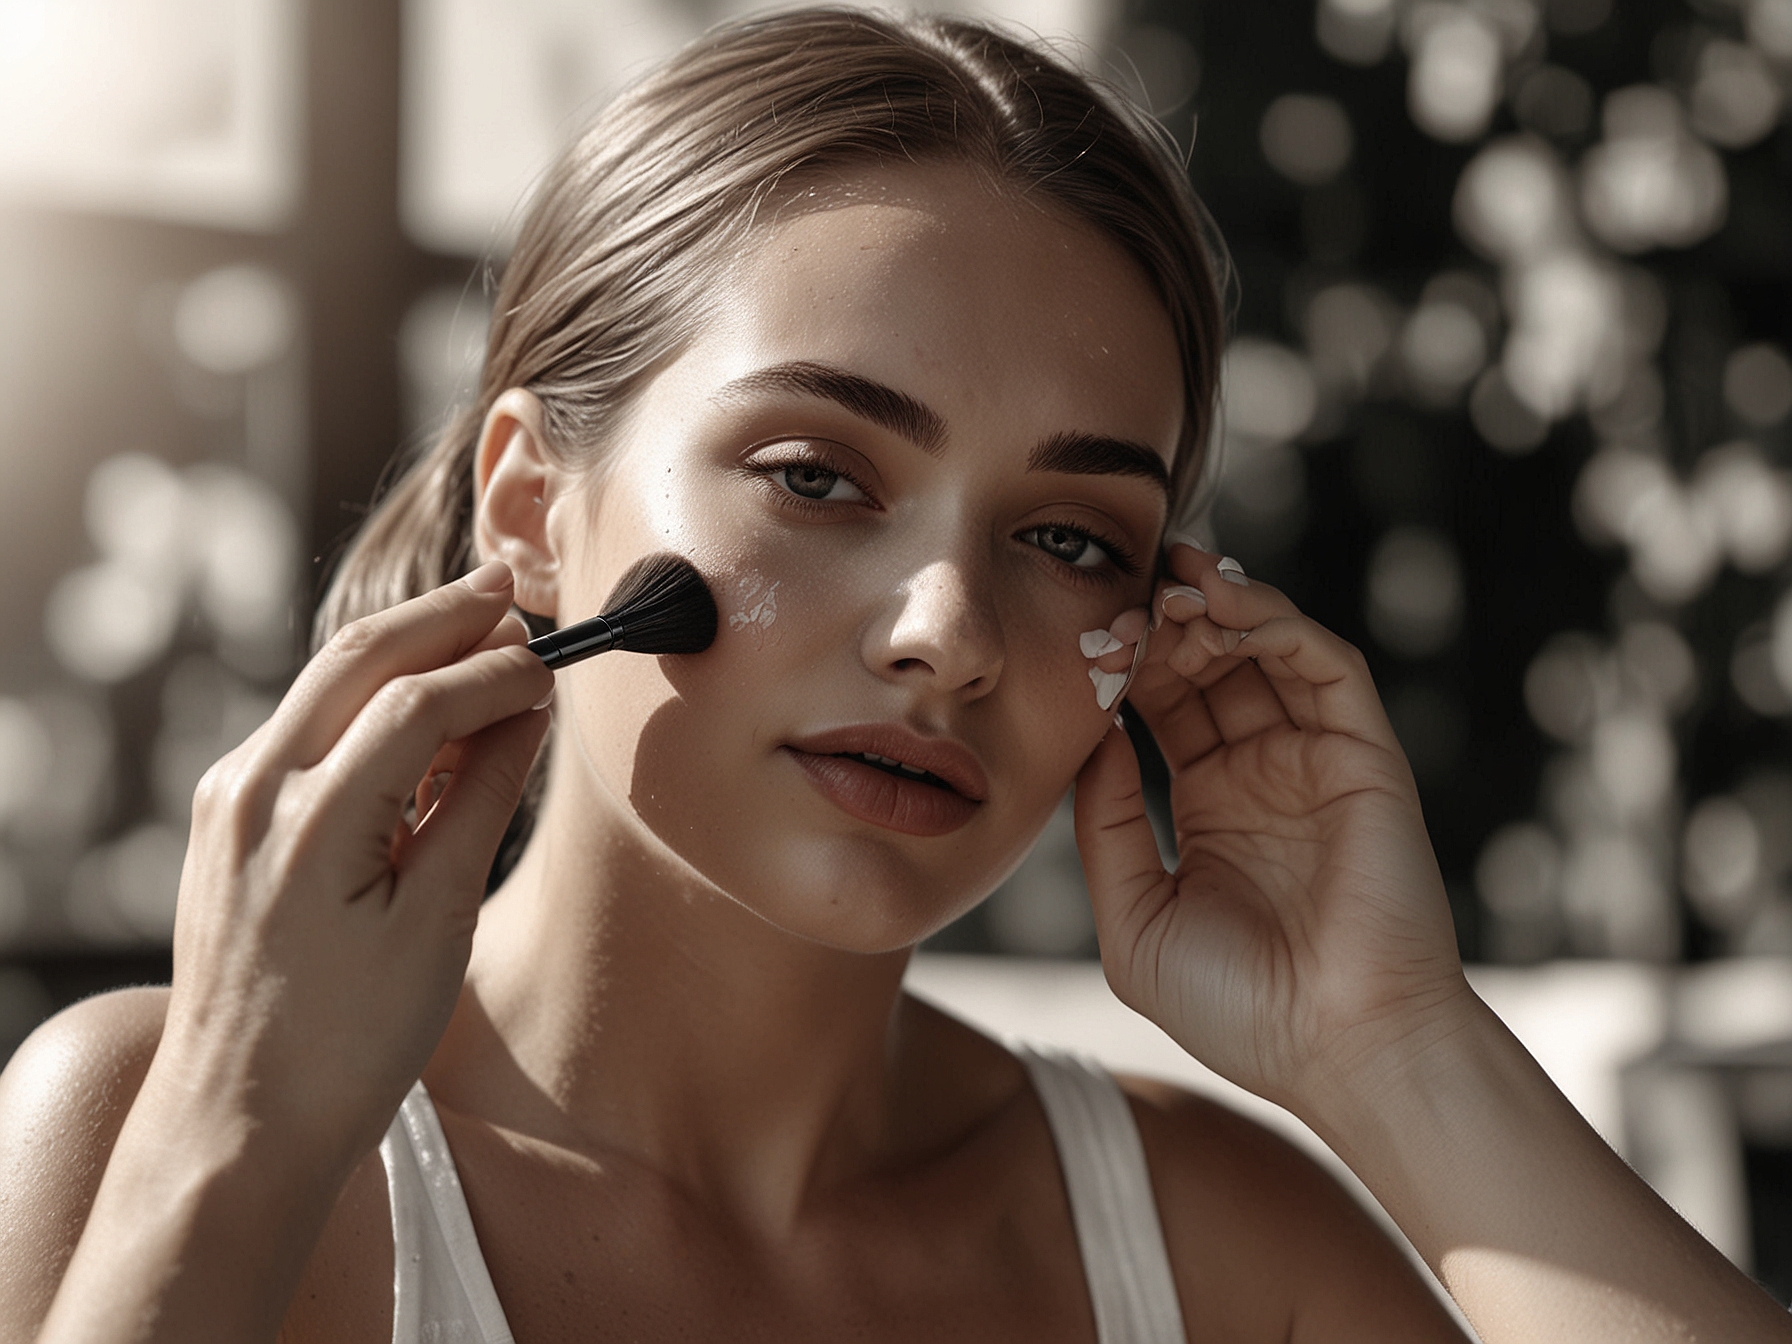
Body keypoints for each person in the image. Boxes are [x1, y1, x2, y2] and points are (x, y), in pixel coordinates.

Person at [1, 9, 1786, 1342]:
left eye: (1073, 537)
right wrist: (230, 1160)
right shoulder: (146, 1132)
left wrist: (1395, 1052)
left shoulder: (1221, 1259)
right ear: (533, 507)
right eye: (818, 477)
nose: (948, 629)